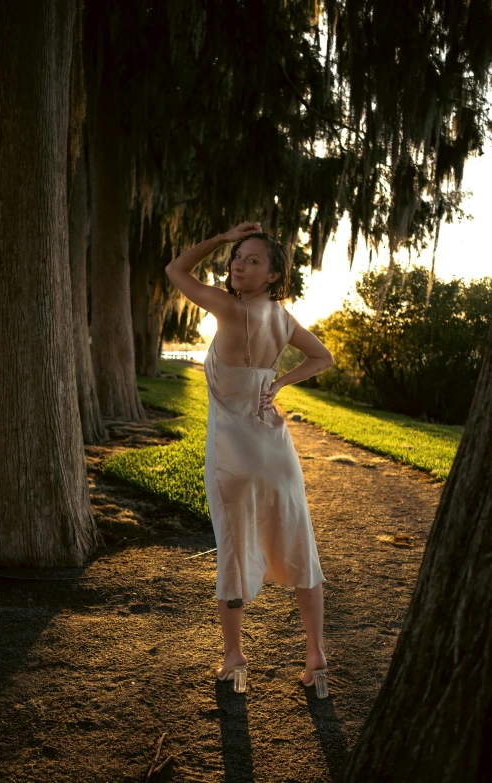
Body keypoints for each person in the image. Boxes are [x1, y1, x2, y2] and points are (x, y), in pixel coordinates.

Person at [165, 221, 334, 697]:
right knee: (300, 546)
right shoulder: (284, 319)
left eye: (252, 259)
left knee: (234, 550)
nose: (239, 264)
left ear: (274, 275)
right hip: (278, 452)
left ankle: (235, 656)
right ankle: (316, 657)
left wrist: (219, 238)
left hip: (233, 454)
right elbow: (322, 358)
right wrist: (279, 383)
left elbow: (177, 269)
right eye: (236, 256)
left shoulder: (226, 307)